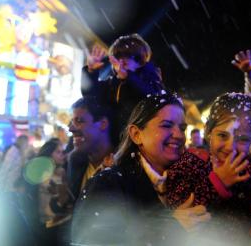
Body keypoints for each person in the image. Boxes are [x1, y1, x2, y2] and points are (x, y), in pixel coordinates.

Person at [71, 92, 211, 245]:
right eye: (166, 125)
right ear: (136, 134)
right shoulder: (107, 184)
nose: (179, 135)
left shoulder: (186, 179)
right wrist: (167, 228)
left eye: (182, 128)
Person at [166, 92, 251, 245]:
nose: (231, 147)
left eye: (242, 139)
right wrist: (218, 182)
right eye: (223, 135)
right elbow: (181, 211)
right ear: (209, 133)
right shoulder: (190, 163)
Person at [81, 33, 165, 143]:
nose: (120, 63)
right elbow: (91, 97)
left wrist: (129, 77)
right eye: (117, 59)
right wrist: (91, 72)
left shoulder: (151, 79)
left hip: (140, 141)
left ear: (140, 61)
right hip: (114, 142)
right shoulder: (113, 82)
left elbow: (154, 99)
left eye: (125, 61)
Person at [49, 97, 115, 217]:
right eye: (72, 122)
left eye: (79, 121)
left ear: (103, 124)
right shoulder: (75, 164)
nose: (71, 129)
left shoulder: (123, 167)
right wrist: (61, 201)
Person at [25, 138, 70, 246]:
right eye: (58, 152)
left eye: (62, 152)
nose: (62, 155)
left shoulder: (59, 172)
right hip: (47, 224)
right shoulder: (45, 174)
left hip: (57, 223)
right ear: (49, 154)